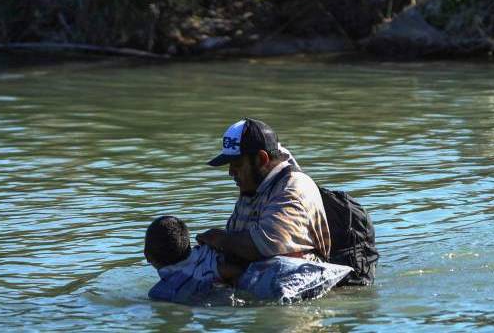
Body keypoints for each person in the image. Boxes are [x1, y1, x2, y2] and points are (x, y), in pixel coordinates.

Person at [196, 118, 331, 267]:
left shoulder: (292, 188)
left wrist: (219, 239)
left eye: (237, 164)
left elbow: (266, 245)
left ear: (261, 159)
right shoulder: (253, 187)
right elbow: (236, 241)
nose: (230, 172)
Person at [144, 214, 351, 304]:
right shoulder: (204, 250)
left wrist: (237, 284)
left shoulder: (167, 287)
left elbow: (230, 271)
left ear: (148, 257)